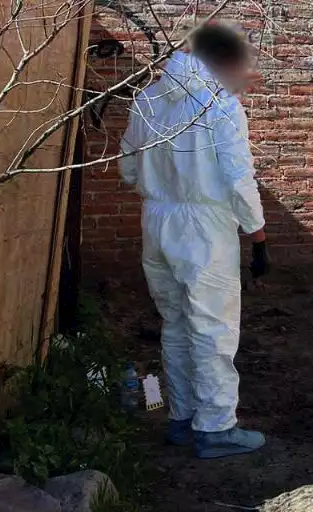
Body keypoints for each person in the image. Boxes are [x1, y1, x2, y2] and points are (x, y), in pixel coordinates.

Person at [119, 23, 267, 459]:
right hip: (204, 226)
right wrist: (257, 234)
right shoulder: (219, 106)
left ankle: (182, 418)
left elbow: (128, 168)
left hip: (157, 221)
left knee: (177, 323)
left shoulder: (146, 101)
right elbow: (239, 180)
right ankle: (217, 427)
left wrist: (161, 188)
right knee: (214, 328)